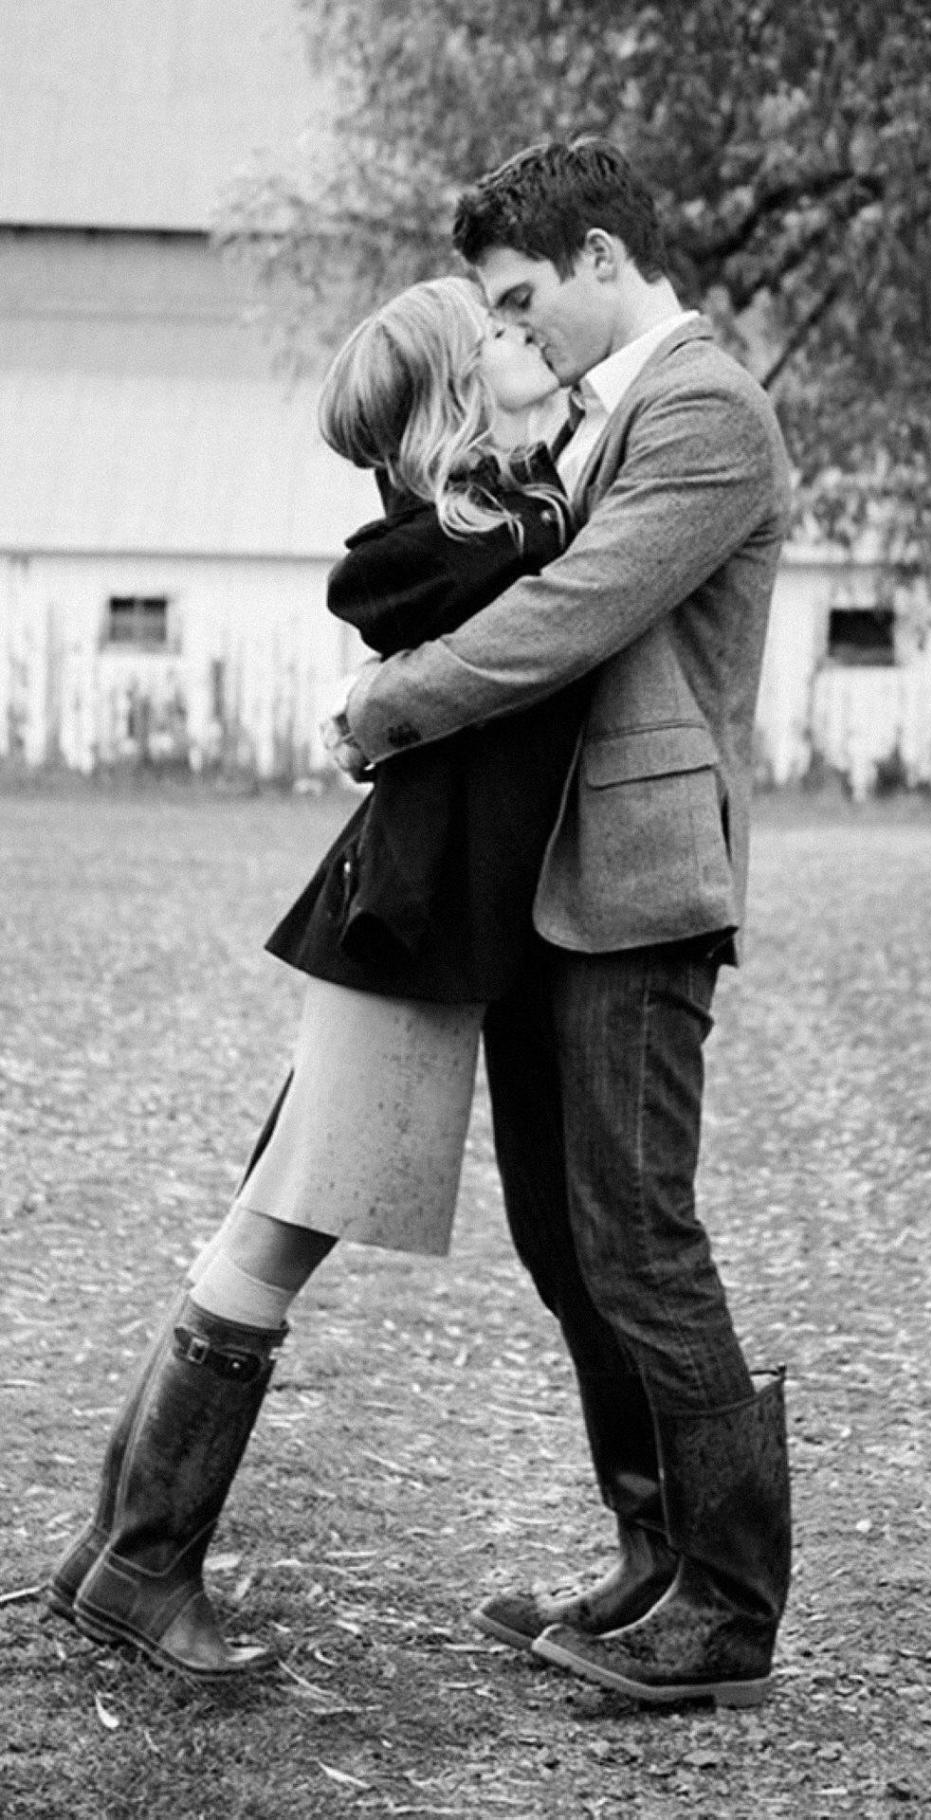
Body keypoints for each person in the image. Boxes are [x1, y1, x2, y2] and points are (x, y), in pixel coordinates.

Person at [44, 275, 588, 1683]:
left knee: (268, 1218)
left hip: (412, 925)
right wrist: (532, 490)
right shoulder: (464, 542)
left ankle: (109, 1551)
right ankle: (143, 1567)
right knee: (281, 1233)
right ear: (461, 391)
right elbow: (408, 572)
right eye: (500, 337)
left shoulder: (503, 521)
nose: (530, 343)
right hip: (406, 929)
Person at [330, 139, 795, 1709]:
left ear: (604, 257)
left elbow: (567, 619)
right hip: (544, 876)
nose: (509, 330)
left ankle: (729, 1606)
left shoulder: (707, 411)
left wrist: (390, 701)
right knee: (563, 1242)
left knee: (639, 1239)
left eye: (522, 297)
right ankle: (654, 1553)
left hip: (641, 886)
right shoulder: (597, 414)